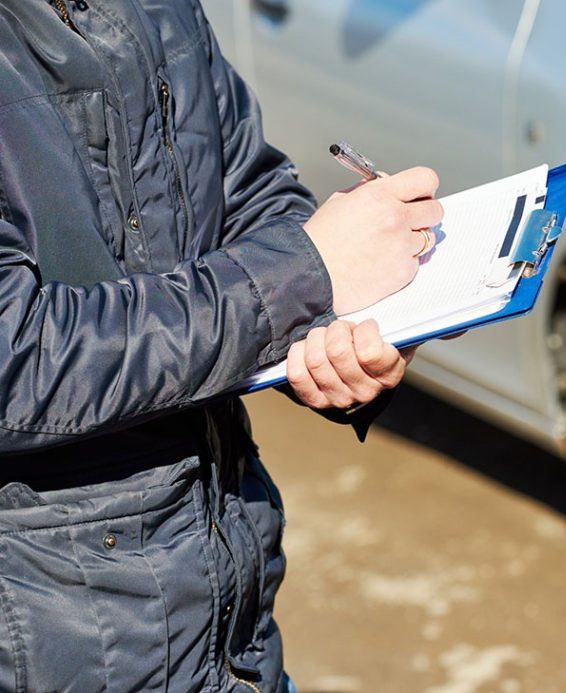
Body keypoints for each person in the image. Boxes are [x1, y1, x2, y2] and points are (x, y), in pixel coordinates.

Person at [0, 1, 440, 690]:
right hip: (65, 642)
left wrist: (332, 332)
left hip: (233, 627)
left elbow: (246, 192)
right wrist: (305, 269)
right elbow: (16, 357)